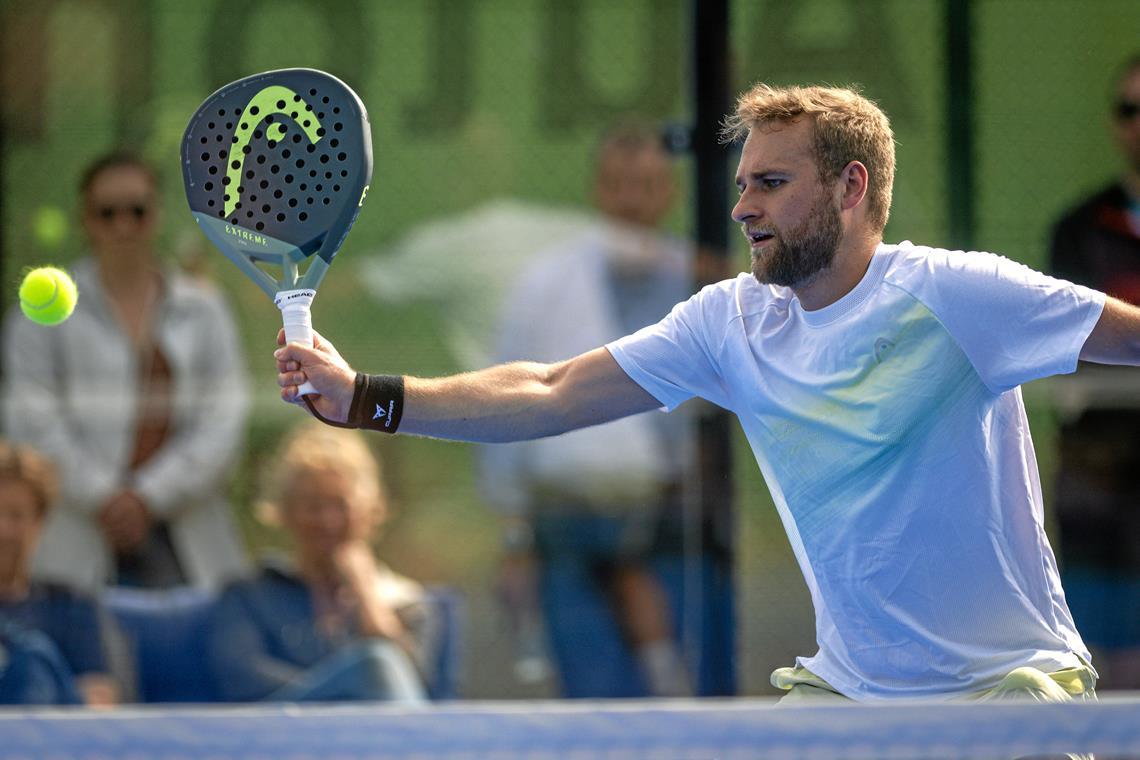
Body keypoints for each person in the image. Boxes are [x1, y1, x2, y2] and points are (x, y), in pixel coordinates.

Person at [274, 82, 1140, 703]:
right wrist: (365, 398)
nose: (743, 208)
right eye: (741, 184)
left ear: (850, 187)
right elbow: (550, 389)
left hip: (1010, 691)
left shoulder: (959, 295)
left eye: (771, 183)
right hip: (849, 698)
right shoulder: (731, 322)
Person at [479, 121, 702, 698]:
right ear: (598, 189)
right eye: (619, 183)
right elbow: (506, 405)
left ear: (670, 192)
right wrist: (514, 542)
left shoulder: (701, 282)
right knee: (585, 690)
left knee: (676, 694)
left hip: (670, 526)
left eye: (648, 184)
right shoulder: (544, 285)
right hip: (564, 523)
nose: (632, 198)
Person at [2, 151, 250, 592]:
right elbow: (31, 422)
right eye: (107, 212)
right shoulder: (37, 316)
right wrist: (104, 496)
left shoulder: (206, 309)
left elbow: (223, 421)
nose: (123, 225)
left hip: (188, 545)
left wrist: (147, 497)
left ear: (156, 215)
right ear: (86, 220)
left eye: (136, 211)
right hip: (74, 546)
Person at [206, 421, 438, 704]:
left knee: (381, 664)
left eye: (341, 505)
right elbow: (240, 682)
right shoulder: (249, 596)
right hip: (282, 737)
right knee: (375, 665)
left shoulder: (407, 602)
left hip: (371, 740)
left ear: (370, 511)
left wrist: (367, 598)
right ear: (285, 511)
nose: (328, 521)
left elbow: (418, 690)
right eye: (313, 506)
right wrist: (349, 690)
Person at [1048, 52, 1140, 691]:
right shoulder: (1079, 229)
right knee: (1112, 656)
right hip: (1105, 473)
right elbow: (1070, 344)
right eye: (1129, 110)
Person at [0, 439, 118, 706]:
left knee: (33, 658)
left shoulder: (71, 605)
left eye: (16, 515)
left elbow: (100, 702)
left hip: (47, 742)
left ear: (39, 523)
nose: (3, 530)